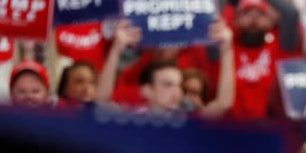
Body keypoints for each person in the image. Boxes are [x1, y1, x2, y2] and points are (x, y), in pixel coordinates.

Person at [95, 19, 235, 119]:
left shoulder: (189, 119)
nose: (177, 92)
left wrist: (227, 50)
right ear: (147, 90)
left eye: (179, 85)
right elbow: (101, 101)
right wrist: (116, 49)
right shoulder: (135, 118)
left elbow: (223, 103)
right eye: (167, 84)